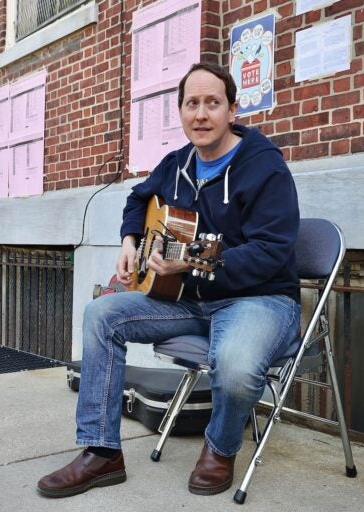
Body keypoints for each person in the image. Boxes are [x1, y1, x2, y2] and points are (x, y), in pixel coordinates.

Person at [37, 62, 301, 498]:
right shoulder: (176, 164)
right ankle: (102, 452)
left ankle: (219, 447)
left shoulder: (265, 167)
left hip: (260, 298)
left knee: (234, 365)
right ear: (180, 112)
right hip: (186, 299)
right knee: (101, 314)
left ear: (232, 110)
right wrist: (129, 239)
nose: (201, 114)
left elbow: (271, 252)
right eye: (191, 104)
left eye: (212, 103)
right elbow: (138, 199)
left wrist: (195, 265)